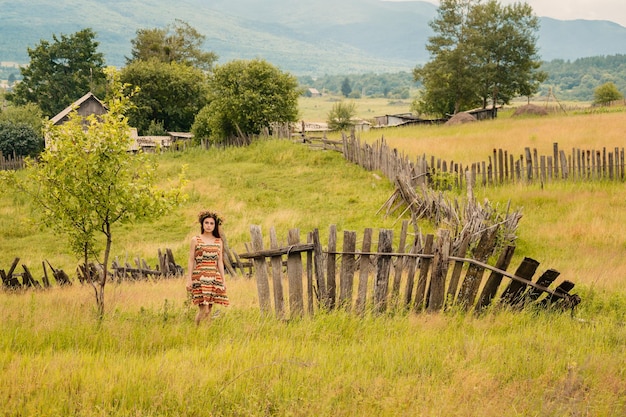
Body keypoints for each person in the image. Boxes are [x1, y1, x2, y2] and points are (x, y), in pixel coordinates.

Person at [187, 210, 229, 325]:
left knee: (209, 309)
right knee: (203, 309)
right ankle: (196, 330)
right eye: (206, 223)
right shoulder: (195, 240)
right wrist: (189, 280)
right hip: (199, 276)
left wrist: (223, 280)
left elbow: (219, 261)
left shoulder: (218, 241)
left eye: (211, 223)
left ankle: (206, 332)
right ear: (202, 224)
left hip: (213, 276)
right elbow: (191, 260)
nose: (209, 226)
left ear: (215, 225)